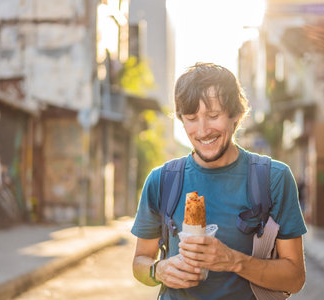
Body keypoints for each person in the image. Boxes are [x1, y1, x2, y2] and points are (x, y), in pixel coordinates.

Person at [131, 63, 307, 299]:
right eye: (191, 118)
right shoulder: (161, 181)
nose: (203, 130)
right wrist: (158, 270)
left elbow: (295, 278)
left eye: (213, 116)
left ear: (236, 114)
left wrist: (234, 261)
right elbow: (140, 262)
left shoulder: (273, 178)